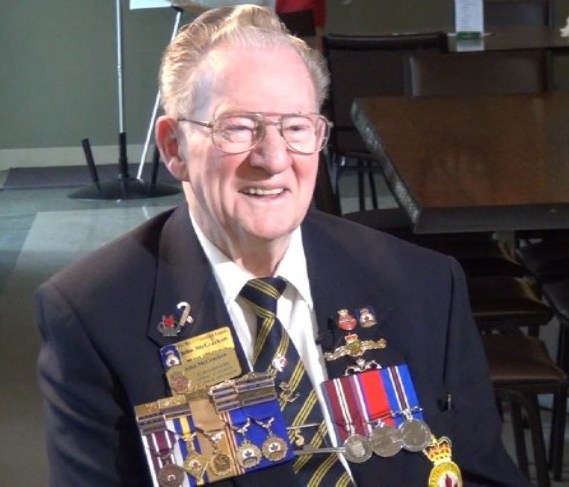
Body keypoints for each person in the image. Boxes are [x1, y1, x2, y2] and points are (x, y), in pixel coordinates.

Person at [35, 5, 533, 487]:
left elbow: (478, 473)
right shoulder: (94, 315)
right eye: (238, 127)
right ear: (173, 147)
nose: (273, 158)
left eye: (295, 127)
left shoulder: (422, 284)